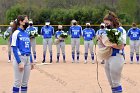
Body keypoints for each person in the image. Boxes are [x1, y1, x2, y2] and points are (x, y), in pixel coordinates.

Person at [98, 11, 125, 93]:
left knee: (115, 82)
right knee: (111, 83)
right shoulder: (106, 31)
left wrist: (109, 43)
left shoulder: (120, 30)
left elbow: (122, 45)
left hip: (117, 56)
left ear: (112, 22)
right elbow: (104, 45)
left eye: (107, 23)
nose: (106, 25)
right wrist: (101, 40)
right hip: (107, 57)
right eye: (105, 24)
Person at [11, 15, 34, 93]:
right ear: (21, 22)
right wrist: (19, 62)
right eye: (26, 20)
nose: (27, 22)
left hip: (27, 59)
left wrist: (31, 60)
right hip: (20, 58)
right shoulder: (16, 33)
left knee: (25, 83)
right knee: (17, 82)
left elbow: (28, 48)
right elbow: (14, 49)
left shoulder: (26, 33)